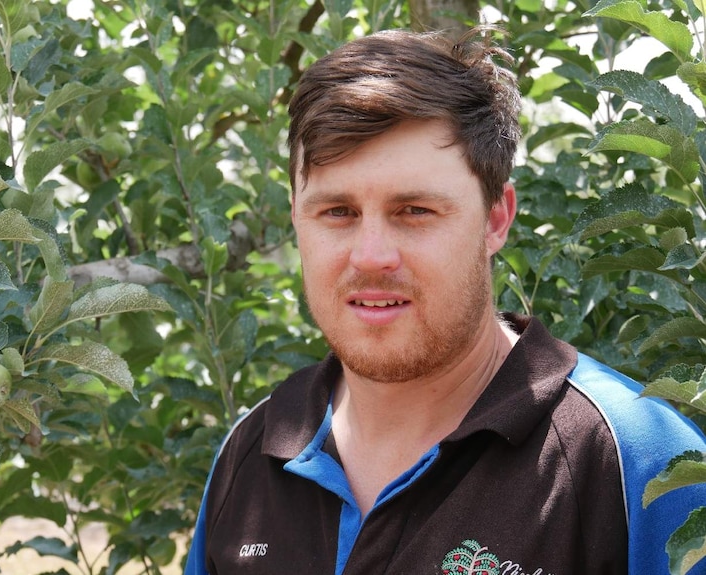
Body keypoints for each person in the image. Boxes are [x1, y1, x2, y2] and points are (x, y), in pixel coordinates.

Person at [183, 27, 706, 575]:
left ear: (496, 217)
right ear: (296, 216)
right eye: (337, 212)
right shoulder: (250, 453)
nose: (371, 256)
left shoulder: (634, 460)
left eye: (415, 211)